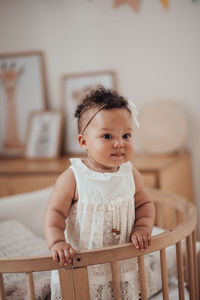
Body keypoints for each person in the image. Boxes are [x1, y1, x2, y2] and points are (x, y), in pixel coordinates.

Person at [44, 87, 155, 299]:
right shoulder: (74, 177)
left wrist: (142, 227)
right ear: (84, 142)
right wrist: (57, 242)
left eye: (126, 135)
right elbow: (55, 213)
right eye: (107, 135)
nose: (119, 143)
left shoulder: (131, 174)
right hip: (84, 264)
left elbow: (145, 204)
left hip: (124, 261)